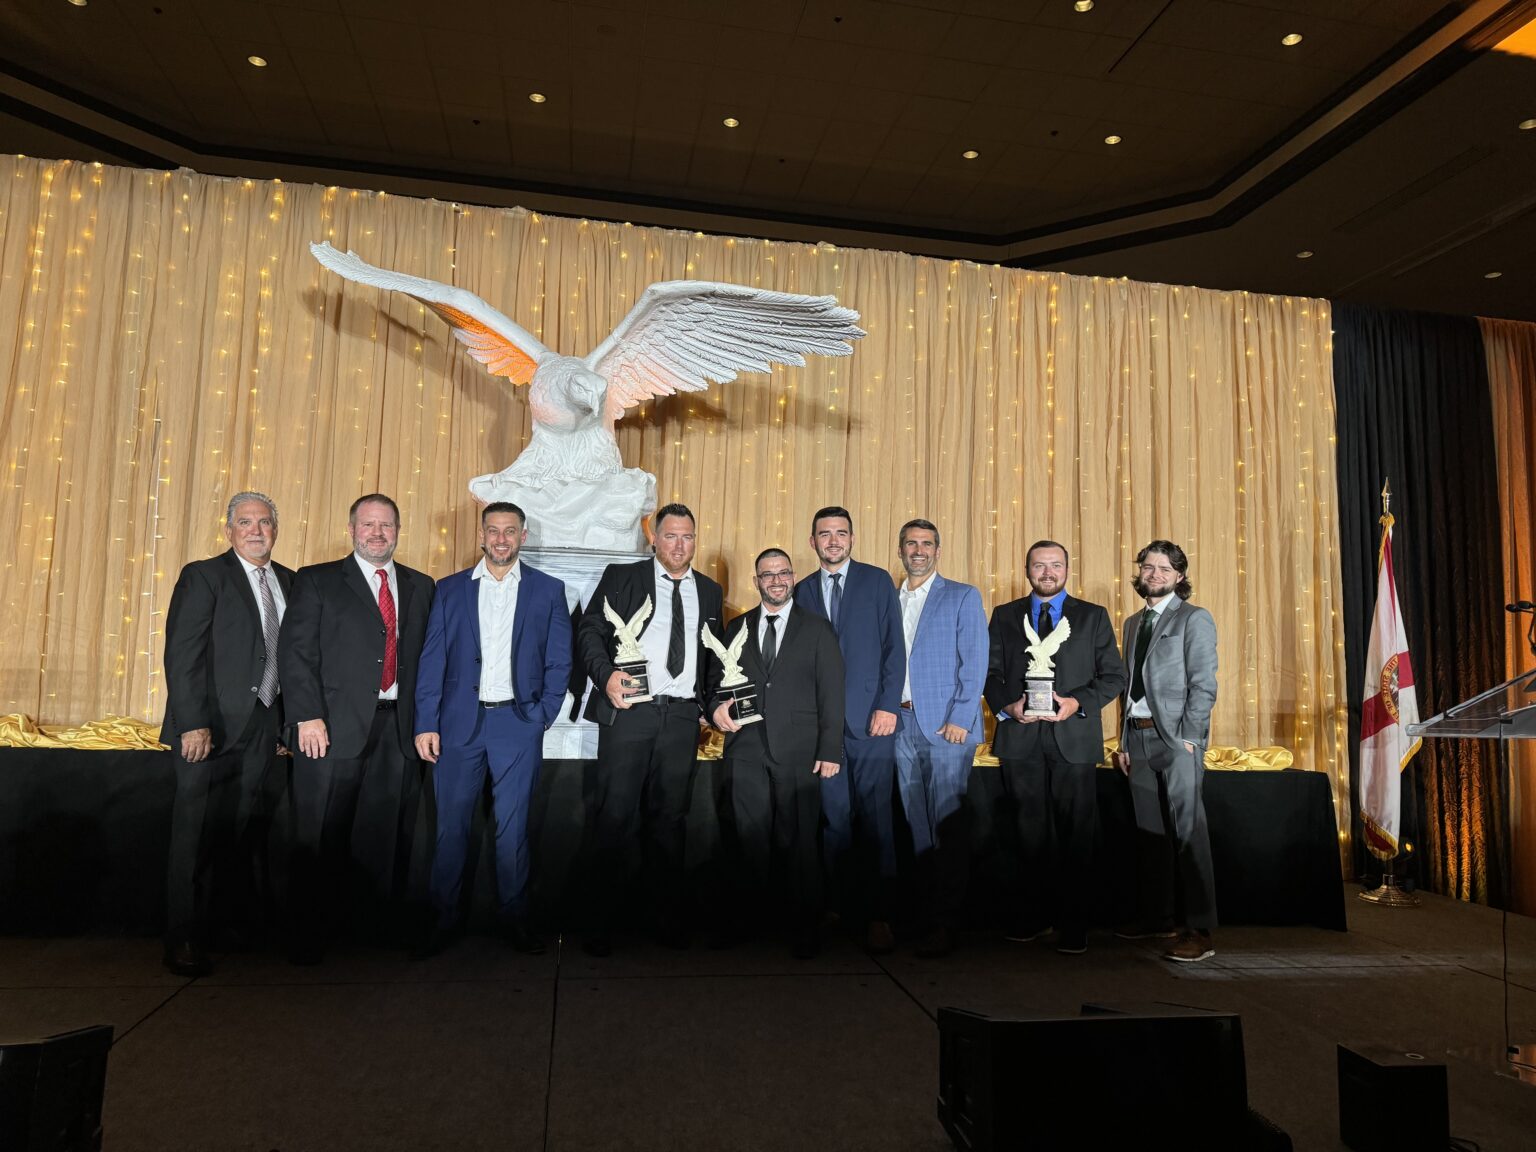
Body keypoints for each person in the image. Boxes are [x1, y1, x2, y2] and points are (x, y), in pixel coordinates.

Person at [279, 493, 435, 964]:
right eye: (368, 524)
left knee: (387, 835)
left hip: (399, 729)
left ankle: (378, 930)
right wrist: (306, 714)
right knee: (320, 832)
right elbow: (296, 652)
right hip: (329, 728)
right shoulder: (318, 580)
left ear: (398, 531)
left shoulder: (421, 585)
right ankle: (310, 934)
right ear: (351, 529)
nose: (377, 533)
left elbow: (429, 660)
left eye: (386, 525)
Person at [413, 502, 571, 957]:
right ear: (482, 536)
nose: (501, 539)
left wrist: (542, 715)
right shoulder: (449, 590)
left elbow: (559, 660)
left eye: (510, 531)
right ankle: (444, 921)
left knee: (513, 828)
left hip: (517, 724)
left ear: (523, 536)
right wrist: (427, 722)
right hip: (458, 725)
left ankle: (515, 920)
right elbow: (432, 661)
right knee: (450, 828)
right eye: (493, 531)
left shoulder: (549, 590)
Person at [575, 503, 724, 954]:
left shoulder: (711, 591)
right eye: (671, 536)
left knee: (670, 820)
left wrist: (710, 703)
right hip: (631, 712)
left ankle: (664, 921)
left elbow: (714, 658)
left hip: (680, 717)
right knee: (614, 816)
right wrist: (605, 676)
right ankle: (601, 926)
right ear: (654, 539)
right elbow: (590, 630)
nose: (680, 545)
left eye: (688, 537)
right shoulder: (622, 577)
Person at [160, 492, 294, 977]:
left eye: (264, 522)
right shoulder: (204, 575)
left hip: (263, 726)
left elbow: (290, 661)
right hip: (209, 727)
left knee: (237, 832)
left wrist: (283, 724)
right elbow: (183, 654)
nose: (256, 530)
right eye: (245, 522)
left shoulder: (290, 582)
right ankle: (183, 938)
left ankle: (220, 924)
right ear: (229, 530)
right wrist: (192, 721)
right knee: (193, 834)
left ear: (276, 529)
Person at [983, 540, 1126, 954]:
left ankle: (1073, 924)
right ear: (1026, 569)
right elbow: (988, 673)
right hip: (1020, 738)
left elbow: (1113, 676)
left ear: (1067, 569)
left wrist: (1078, 702)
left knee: (1077, 834)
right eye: (1039, 565)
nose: (1047, 572)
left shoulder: (1093, 617)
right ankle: (1033, 916)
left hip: (1074, 738)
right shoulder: (1005, 616)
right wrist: (1006, 706)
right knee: (1027, 833)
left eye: (1055, 565)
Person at [713, 548, 844, 958]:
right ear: (756, 582)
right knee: (748, 840)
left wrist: (830, 748)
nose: (776, 580)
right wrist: (715, 708)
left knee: (800, 841)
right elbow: (716, 683)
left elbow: (832, 692)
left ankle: (804, 929)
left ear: (792, 577)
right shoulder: (736, 628)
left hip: (800, 750)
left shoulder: (818, 628)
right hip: (747, 750)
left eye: (783, 573)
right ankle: (745, 924)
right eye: (767, 575)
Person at [793, 506, 905, 954]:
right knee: (833, 823)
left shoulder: (877, 582)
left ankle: (880, 916)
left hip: (872, 724)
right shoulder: (800, 591)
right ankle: (837, 909)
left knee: (877, 822)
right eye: (825, 534)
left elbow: (894, 647)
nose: (833, 541)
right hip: (825, 730)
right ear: (813, 542)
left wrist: (887, 705)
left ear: (853, 539)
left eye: (841, 533)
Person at [1112, 540, 1219, 963]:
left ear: (1179, 577)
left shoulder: (1195, 619)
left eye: (1164, 568)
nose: (1154, 574)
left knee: (1188, 832)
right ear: (1139, 573)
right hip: (1136, 740)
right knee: (1150, 835)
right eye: (1148, 567)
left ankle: (1199, 928)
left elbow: (1204, 683)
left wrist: (1189, 736)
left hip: (1175, 740)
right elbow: (1128, 688)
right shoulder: (1131, 623)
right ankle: (1158, 917)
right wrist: (1122, 741)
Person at [891, 519, 987, 958]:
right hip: (902, 726)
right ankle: (924, 918)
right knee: (917, 827)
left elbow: (975, 662)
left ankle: (947, 924)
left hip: (948, 727)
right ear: (900, 550)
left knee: (947, 825)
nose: (919, 550)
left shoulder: (962, 595)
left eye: (926, 543)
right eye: (911, 543)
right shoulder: (891, 600)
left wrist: (962, 718)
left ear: (938, 551)